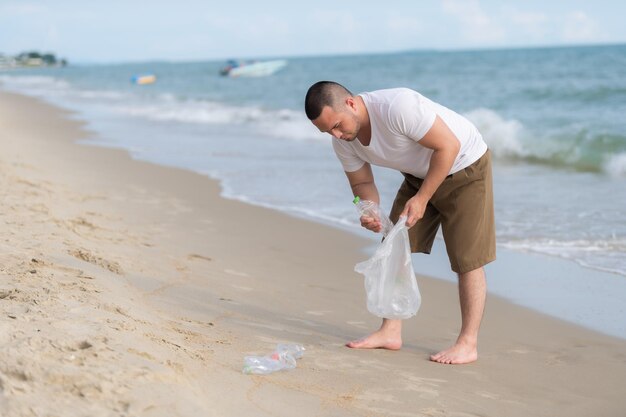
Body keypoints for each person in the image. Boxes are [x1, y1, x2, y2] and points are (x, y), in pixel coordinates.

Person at [304, 81, 495, 364]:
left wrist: (422, 198)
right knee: (391, 247)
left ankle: (468, 343)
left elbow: (448, 146)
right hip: (419, 174)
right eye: (327, 131)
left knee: (467, 259)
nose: (336, 134)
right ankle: (390, 331)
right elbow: (361, 181)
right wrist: (368, 210)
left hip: (464, 165)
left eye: (337, 125)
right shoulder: (342, 141)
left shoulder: (397, 107)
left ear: (351, 104)